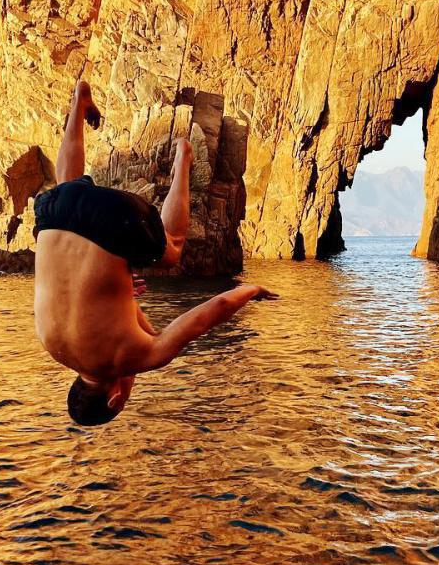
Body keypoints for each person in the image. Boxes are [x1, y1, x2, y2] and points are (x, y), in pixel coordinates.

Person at [33, 78, 278, 426]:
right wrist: (120, 283)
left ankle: (183, 158)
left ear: (116, 398)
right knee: (67, 186)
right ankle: (78, 103)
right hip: (53, 214)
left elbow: (210, 313)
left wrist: (249, 290)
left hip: (114, 220)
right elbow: (74, 286)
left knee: (172, 250)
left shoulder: (130, 358)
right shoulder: (52, 344)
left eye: (124, 398)